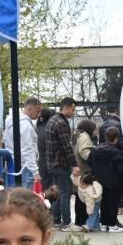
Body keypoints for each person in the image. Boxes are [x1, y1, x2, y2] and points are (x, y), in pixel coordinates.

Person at [45, 97, 78, 228]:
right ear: (67, 107)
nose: (74, 112)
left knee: (57, 192)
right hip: (61, 164)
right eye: (73, 110)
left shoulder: (52, 120)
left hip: (51, 163)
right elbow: (67, 146)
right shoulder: (61, 123)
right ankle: (66, 222)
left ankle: (56, 220)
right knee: (65, 192)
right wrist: (74, 164)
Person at [89, 127, 123, 233]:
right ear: (116, 139)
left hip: (99, 182)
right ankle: (112, 225)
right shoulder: (117, 153)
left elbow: (89, 161)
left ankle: (104, 224)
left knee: (103, 204)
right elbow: (121, 170)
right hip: (114, 183)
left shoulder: (96, 150)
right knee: (113, 204)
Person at [2, 97, 42, 189]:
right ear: (29, 108)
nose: (39, 114)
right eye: (38, 111)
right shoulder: (26, 126)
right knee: (24, 196)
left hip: (12, 164)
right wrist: (35, 172)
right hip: (25, 166)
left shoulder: (10, 122)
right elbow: (27, 150)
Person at [68, 119, 97, 232]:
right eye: (94, 129)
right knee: (83, 199)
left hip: (80, 171)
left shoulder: (78, 135)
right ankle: (82, 222)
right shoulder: (85, 137)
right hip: (84, 171)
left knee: (80, 197)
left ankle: (79, 222)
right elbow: (84, 153)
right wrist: (94, 157)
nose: (95, 132)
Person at [34, 108, 56, 191]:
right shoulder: (51, 129)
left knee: (43, 186)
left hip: (39, 161)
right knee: (51, 187)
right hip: (51, 161)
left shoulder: (37, 128)